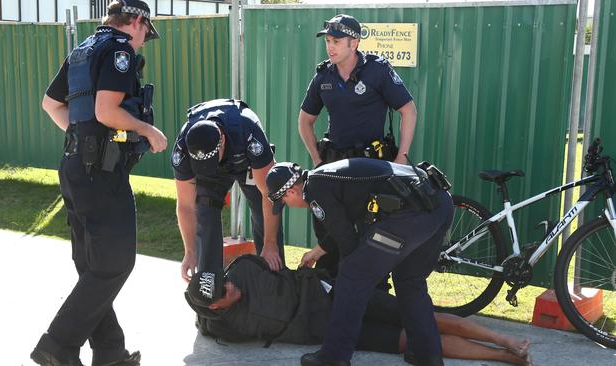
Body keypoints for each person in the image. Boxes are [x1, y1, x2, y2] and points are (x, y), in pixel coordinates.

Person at [32, 1, 167, 365]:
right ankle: (58, 345)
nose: (142, 43)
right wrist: (146, 129)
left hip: (75, 166)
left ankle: (109, 353)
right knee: (114, 264)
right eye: (144, 35)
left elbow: (50, 104)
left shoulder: (82, 50)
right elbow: (107, 111)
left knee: (93, 264)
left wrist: (82, 139)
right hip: (100, 173)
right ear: (137, 21)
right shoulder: (118, 50)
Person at [265, 159, 454, 366]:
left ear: (291, 191)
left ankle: (333, 357)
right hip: (439, 205)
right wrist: (319, 251)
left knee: (351, 276)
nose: (286, 205)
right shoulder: (324, 177)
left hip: (409, 215)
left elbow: (348, 242)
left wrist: (351, 275)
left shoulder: (315, 190)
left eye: (282, 201)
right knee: (410, 282)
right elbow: (348, 222)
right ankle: (427, 355)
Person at [184, 255, 532, 366]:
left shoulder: (241, 269)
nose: (231, 285)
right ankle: (509, 358)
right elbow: (206, 325)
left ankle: (505, 339)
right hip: (328, 330)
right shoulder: (223, 327)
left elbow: (268, 264)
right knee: (407, 340)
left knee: (419, 316)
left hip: (335, 294)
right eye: (223, 291)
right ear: (215, 306)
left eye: (224, 280)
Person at [298, 14, 418, 279]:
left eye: (336, 41)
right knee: (331, 233)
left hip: (371, 171)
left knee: (369, 237)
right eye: (328, 40)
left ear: (354, 43)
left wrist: (401, 157)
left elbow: (408, 110)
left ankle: (374, 299)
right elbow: (305, 122)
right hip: (333, 171)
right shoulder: (323, 77)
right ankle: (327, 296)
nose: (330, 46)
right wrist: (317, 161)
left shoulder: (377, 70)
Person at [171, 99, 285, 282]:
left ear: (222, 140)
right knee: (204, 210)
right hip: (214, 173)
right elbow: (185, 206)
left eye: (211, 160)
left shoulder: (249, 132)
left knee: (260, 208)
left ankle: (274, 282)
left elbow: (270, 195)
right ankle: (209, 288)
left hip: (246, 161)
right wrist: (190, 252)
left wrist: (270, 243)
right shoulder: (182, 150)